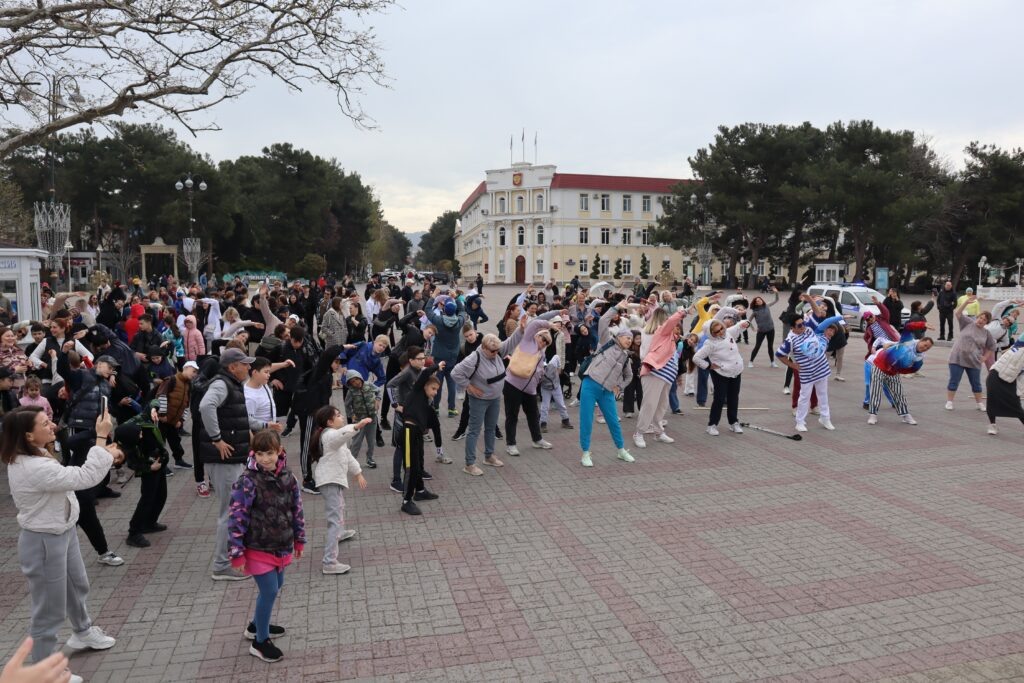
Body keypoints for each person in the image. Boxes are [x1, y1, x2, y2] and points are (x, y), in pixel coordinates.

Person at [3, 407, 120, 670]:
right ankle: (44, 669)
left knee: (77, 586)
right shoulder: (33, 466)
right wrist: (102, 438)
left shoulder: (36, 454)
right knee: (49, 610)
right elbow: (85, 477)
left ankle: (83, 631)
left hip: (61, 530)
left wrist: (103, 450)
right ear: (28, 436)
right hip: (44, 541)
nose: (52, 425)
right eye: (45, 423)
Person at [228, 429, 306, 663]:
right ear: (254, 453)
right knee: (270, 590)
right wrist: (236, 553)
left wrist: (299, 538)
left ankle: (255, 625)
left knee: (276, 585)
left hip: (281, 544)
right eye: (260, 454)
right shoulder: (247, 481)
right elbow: (236, 518)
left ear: (279, 451)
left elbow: (297, 509)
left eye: (269, 453)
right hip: (257, 546)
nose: (265, 459)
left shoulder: (289, 477)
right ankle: (260, 642)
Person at [199, 348, 274, 581]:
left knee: (237, 509)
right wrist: (216, 439)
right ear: (233, 367)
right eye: (244, 364)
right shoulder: (222, 384)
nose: (248, 367)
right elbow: (205, 406)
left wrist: (263, 426)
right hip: (225, 459)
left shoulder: (232, 385)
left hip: (232, 458)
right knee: (230, 512)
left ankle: (233, 556)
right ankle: (222, 565)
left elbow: (240, 417)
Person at [308, 406, 369, 574]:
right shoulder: (329, 435)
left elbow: (348, 456)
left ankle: (340, 533)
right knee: (334, 520)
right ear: (329, 422)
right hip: (329, 481)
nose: (341, 417)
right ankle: (329, 562)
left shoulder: (335, 439)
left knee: (340, 507)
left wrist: (358, 473)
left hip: (333, 480)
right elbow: (342, 434)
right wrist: (356, 426)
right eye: (338, 415)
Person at [577, 301, 635, 467]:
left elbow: (629, 376)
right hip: (590, 384)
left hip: (607, 391)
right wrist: (616, 307)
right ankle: (585, 453)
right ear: (619, 337)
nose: (629, 340)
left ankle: (621, 450)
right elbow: (603, 320)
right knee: (586, 421)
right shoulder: (606, 341)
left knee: (613, 422)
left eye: (631, 339)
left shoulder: (626, 357)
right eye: (627, 337)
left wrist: (619, 387)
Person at [775, 311, 844, 432]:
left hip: (821, 368)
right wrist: (792, 365)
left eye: (803, 323)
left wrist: (840, 317)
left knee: (823, 395)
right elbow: (779, 354)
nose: (803, 326)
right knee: (804, 397)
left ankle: (825, 418)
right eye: (799, 325)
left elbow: (822, 318)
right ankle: (800, 421)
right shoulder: (790, 340)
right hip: (807, 373)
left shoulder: (809, 329)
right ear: (792, 327)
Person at [502, 315, 554, 456]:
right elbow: (534, 324)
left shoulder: (541, 354)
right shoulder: (527, 341)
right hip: (513, 384)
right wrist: (549, 324)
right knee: (512, 415)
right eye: (543, 338)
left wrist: (537, 381)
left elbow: (539, 371)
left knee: (533, 415)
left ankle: (537, 440)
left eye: (547, 342)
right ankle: (511, 444)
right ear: (537, 335)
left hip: (530, 390)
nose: (544, 342)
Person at [633, 309, 686, 446]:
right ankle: (639, 433)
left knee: (662, 404)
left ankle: (658, 432)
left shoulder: (665, 335)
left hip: (666, 373)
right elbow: (670, 323)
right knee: (650, 404)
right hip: (654, 371)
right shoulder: (660, 332)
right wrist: (683, 312)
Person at [398, 363, 443, 516]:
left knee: (418, 465)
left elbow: (436, 425)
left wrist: (439, 447)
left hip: (417, 434)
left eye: (437, 390)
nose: (435, 392)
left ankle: (420, 491)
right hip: (409, 432)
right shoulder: (416, 391)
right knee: (410, 467)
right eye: (433, 389)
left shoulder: (426, 402)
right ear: (424, 386)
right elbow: (424, 374)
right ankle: (406, 501)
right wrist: (436, 366)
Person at [866, 321, 932, 425]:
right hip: (879, 365)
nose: (924, 348)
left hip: (893, 372)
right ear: (920, 341)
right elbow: (908, 326)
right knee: (876, 390)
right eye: (925, 345)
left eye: (927, 348)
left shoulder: (919, 359)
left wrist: (898, 370)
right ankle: (873, 415)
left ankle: (905, 415)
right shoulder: (908, 340)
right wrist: (922, 324)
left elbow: (913, 369)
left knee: (899, 393)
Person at [119, 418, 169, 549]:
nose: (141, 435)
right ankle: (134, 532)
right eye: (139, 434)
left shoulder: (144, 426)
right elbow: (133, 464)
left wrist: (163, 457)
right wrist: (149, 468)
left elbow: (150, 407)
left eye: (141, 432)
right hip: (149, 470)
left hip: (158, 465)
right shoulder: (129, 446)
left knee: (161, 495)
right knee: (147, 499)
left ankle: (149, 523)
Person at [693, 318, 748, 435]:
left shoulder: (728, 333)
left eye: (721, 328)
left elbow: (738, 327)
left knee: (734, 398)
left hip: (736, 370)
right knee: (719, 399)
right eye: (717, 331)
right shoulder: (710, 344)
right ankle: (712, 425)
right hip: (721, 373)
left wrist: (745, 323)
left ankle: (733, 422)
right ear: (711, 333)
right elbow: (696, 358)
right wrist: (708, 366)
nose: (721, 332)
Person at [945, 293, 995, 411]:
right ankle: (949, 402)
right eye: (980, 317)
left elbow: (992, 347)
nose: (981, 320)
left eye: (984, 319)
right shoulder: (968, 323)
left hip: (974, 361)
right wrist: (966, 303)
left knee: (976, 383)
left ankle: (979, 403)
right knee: (954, 381)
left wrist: (985, 357)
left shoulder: (986, 333)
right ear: (977, 317)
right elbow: (957, 313)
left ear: (987, 322)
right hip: (957, 358)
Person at [154, 360, 198, 469]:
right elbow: (161, 395)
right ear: (186, 368)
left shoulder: (188, 384)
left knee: (175, 441)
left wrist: (181, 420)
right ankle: (161, 465)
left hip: (174, 420)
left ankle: (179, 461)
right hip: (163, 419)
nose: (195, 374)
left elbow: (186, 403)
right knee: (160, 442)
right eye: (194, 371)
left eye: (196, 372)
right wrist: (162, 414)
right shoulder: (171, 380)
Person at [343, 369, 381, 468]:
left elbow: (378, 391)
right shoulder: (351, 391)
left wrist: (377, 400)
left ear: (360, 377)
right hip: (359, 420)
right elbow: (347, 405)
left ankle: (370, 459)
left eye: (356, 379)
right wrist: (351, 415)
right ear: (350, 384)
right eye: (352, 382)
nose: (356, 382)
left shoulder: (369, 385)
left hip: (372, 418)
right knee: (356, 442)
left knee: (371, 441)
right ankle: (351, 461)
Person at [985, 339, 1024, 435]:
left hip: (1011, 379)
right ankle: (992, 425)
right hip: (996, 374)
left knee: (1015, 404)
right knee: (992, 400)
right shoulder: (1018, 347)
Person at [746, 289, 779, 367]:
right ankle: (750, 362)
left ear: (762, 300)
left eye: (760, 300)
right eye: (757, 301)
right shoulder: (755, 311)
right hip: (761, 331)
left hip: (771, 329)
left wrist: (776, 293)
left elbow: (776, 300)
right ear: (755, 303)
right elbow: (748, 321)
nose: (759, 301)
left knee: (770, 346)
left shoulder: (767, 306)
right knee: (757, 346)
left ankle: (772, 362)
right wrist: (753, 329)